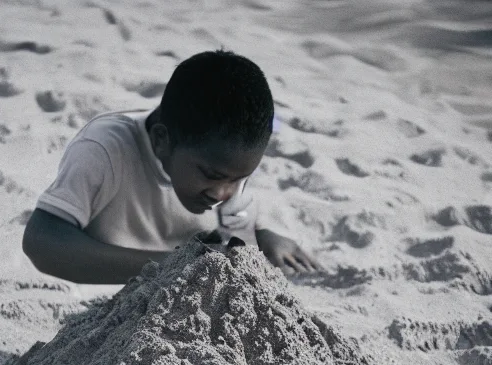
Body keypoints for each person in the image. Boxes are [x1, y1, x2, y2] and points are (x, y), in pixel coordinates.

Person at [22, 49, 319, 285]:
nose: (224, 193)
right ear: (162, 140)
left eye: (239, 179)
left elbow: (232, 220)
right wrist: (173, 265)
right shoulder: (104, 149)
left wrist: (263, 236)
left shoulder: (221, 163)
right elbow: (42, 241)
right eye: (212, 176)